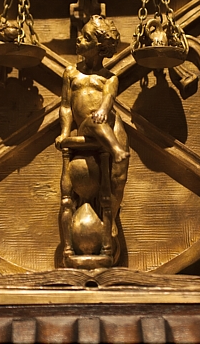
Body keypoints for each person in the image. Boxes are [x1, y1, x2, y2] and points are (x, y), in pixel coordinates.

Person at [56, 15, 130, 236]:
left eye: (86, 37)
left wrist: (103, 111)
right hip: (90, 126)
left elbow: (108, 99)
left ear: (100, 48)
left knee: (119, 177)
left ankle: (112, 216)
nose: (79, 39)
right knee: (91, 121)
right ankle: (116, 150)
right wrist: (64, 132)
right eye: (81, 34)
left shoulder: (110, 78)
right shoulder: (71, 73)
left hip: (110, 124)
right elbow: (66, 106)